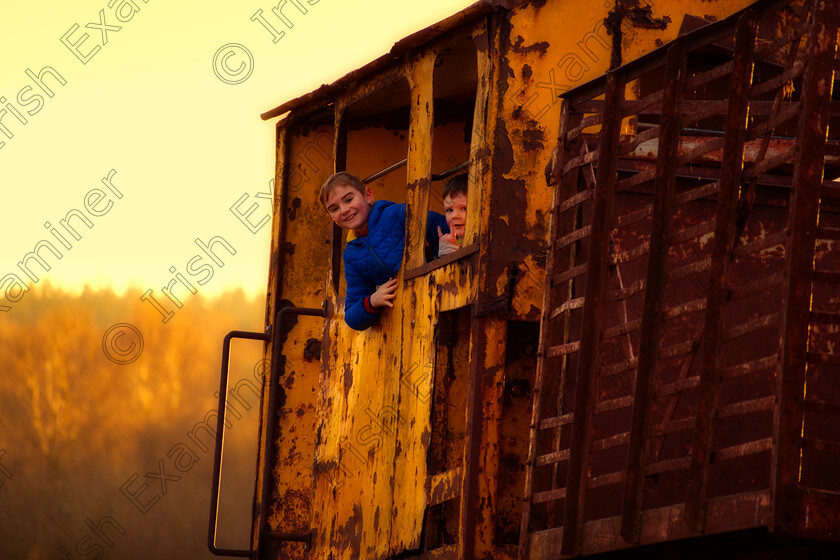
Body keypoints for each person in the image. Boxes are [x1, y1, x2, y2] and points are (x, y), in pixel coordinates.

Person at [320, 172, 449, 331]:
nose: (344, 209)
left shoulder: (397, 214)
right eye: (334, 209)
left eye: (348, 199)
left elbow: (445, 228)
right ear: (331, 217)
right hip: (408, 319)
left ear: (368, 196)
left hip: (442, 295)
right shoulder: (352, 255)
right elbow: (352, 316)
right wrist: (373, 300)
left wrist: (445, 252)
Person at [437, 174, 468, 257]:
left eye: (464, 208)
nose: (454, 216)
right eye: (449, 210)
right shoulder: (454, 243)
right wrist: (446, 254)